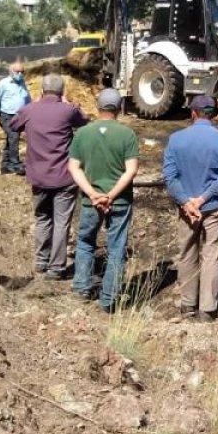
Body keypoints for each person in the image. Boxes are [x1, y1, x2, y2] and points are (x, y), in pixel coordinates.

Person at [162, 95, 218, 321]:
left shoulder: (176, 139)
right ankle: (208, 309)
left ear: (193, 113)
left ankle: (187, 305)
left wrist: (186, 202)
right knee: (211, 255)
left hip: (186, 209)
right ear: (212, 114)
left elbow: (169, 176)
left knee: (186, 252)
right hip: (213, 206)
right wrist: (202, 200)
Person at [10, 74, 89, 280]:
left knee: (42, 218)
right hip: (64, 177)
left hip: (38, 176)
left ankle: (41, 260)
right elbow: (85, 120)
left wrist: (35, 103)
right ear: (62, 92)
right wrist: (70, 104)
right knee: (62, 222)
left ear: (42, 91)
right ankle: (56, 267)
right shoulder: (68, 111)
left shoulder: (30, 110)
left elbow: (13, 124)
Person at [69, 88, 139, 312]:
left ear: (98, 107)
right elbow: (131, 171)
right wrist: (111, 195)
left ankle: (82, 287)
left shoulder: (82, 133)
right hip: (119, 202)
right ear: (119, 108)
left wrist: (92, 193)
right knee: (116, 247)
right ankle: (108, 299)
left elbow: (73, 167)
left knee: (86, 241)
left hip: (91, 201)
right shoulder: (127, 134)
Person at [0, 60, 32, 175]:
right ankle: (15, 164)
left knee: (11, 138)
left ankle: (5, 165)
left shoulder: (23, 83)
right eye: (17, 71)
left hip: (20, 116)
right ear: (10, 71)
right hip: (7, 116)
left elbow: (27, 99)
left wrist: (31, 112)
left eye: (22, 72)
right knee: (13, 137)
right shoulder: (2, 84)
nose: (20, 74)